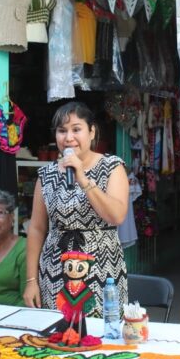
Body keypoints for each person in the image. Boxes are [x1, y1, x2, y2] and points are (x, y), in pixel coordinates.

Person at [24, 102, 129, 317]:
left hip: (102, 268)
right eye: (62, 131)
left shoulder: (112, 167)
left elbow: (117, 215)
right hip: (55, 270)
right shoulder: (46, 175)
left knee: (101, 337)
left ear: (92, 132)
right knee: (58, 336)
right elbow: (36, 229)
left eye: (76, 129)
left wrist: (82, 178)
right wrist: (31, 281)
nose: (68, 138)